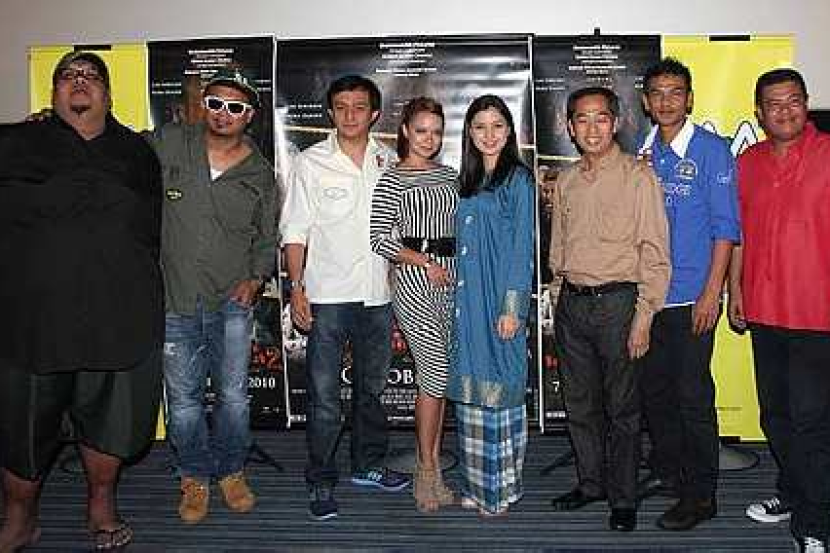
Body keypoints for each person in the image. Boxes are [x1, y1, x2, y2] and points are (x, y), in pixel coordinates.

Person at [0, 51, 163, 551]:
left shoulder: (137, 153)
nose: (80, 81)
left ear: (108, 94)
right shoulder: (13, 142)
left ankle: (101, 506)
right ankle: (19, 516)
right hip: (33, 319)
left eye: (91, 75)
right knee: (21, 427)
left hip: (119, 315)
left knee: (111, 422)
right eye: (68, 75)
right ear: (51, 93)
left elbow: (153, 230)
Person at [146, 67, 278, 524]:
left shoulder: (260, 172)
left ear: (250, 115)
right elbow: (118, 150)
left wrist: (256, 278)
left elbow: (267, 238)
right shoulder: (170, 143)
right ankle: (194, 476)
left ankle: (231, 470)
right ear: (204, 105)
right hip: (176, 297)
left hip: (232, 304)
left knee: (234, 397)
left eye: (235, 107)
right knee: (183, 400)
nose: (223, 113)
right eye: (215, 103)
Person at [281, 75, 410, 522]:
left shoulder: (389, 160)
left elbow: (399, 230)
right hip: (328, 296)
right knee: (324, 397)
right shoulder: (311, 162)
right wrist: (296, 288)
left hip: (378, 295)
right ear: (330, 113)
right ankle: (320, 478)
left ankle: (367, 465)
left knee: (372, 391)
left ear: (374, 114)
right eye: (341, 107)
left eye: (359, 107)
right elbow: (295, 230)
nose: (350, 115)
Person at [548, 86, 670, 532]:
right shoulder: (566, 180)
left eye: (601, 118)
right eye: (582, 119)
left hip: (620, 305)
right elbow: (558, 246)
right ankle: (591, 483)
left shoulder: (639, 177)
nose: (592, 128)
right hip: (572, 305)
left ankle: (623, 498)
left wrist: (644, 317)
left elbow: (655, 252)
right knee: (579, 405)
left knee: (623, 409)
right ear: (570, 127)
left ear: (616, 123)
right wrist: (557, 295)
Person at [636, 57, 741, 530]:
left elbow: (726, 228)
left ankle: (702, 496)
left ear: (690, 98)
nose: (666, 101)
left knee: (692, 397)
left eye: (675, 92)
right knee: (655, 394)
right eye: (657, 93)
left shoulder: (712, 151)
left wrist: (712, 293)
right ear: (646, 101)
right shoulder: (643, 152)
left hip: (691, 298)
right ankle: (673, 475)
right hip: (649, 298)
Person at [728, 68, 830, 553]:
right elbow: (739, 237)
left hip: (818, 314)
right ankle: (793, 493)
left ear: (806, 104)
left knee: (813, 422)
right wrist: (735, 290)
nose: (784, 111)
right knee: (776, 416)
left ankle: (816, 522)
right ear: (759, 112)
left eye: (793, 101)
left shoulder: (828, 154)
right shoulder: (747, 163)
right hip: (765, 310)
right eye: (774, 104)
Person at [446, 94, 535, 517]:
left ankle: (499, 492)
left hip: (499, 300)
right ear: (469, 132)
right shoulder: (467, 180)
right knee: (471, 392)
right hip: (467, 301)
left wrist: (512, 308)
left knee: (501, 389)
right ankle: (476, 485)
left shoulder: (517, 179)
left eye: (497, 125)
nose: (489, 134)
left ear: (510, 130)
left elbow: (522, 249)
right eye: (480, 126)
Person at [369, 97, 459, 512]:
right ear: (405, 131)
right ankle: (425, 471)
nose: (429, 138)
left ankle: (434, 466)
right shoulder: (392, 179)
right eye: (421, 130)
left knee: (439, 380)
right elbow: (380, 238)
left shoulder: (450, 175)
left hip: (452, 280)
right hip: (414, 281)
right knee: (434, 374)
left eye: (436, 131)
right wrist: (424, 262)